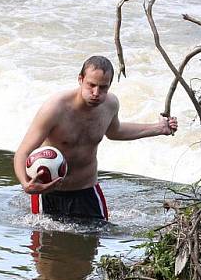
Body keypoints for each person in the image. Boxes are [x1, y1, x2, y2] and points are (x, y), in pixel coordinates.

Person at [13, 55, 178, 220]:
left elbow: (116, 132)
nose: (96, 93)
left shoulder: (111, 105)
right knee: (44, 243)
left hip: (86, 189)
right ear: (80, 79)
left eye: (103, 87)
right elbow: (23, 152)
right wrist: (26, 184)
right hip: (47, 191)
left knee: (96, 240)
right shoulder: (55, 108)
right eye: (91, 85)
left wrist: (159, 128)